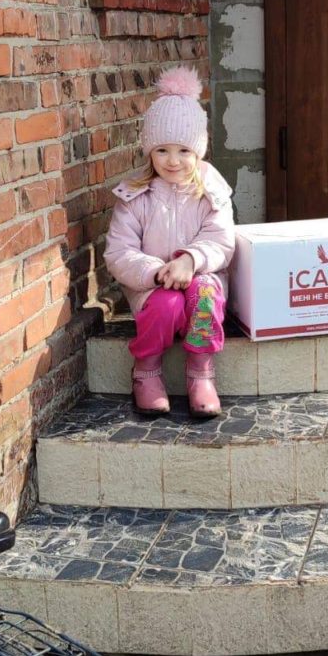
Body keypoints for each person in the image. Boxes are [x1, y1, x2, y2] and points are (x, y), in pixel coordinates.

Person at [104, 65, 235, 418]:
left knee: (204, 294)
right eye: (162, 150)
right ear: (149, 150)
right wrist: (156, 272)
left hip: (201, 281)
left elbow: (221, 240)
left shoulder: (211, 191)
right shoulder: (135, 196)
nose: (173, 161)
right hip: (151, 289)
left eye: (183, 151)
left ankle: (200, 372)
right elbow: (119, 251)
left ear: (199, 151)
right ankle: (146, 370)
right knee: (166, 305)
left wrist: (190, 261)